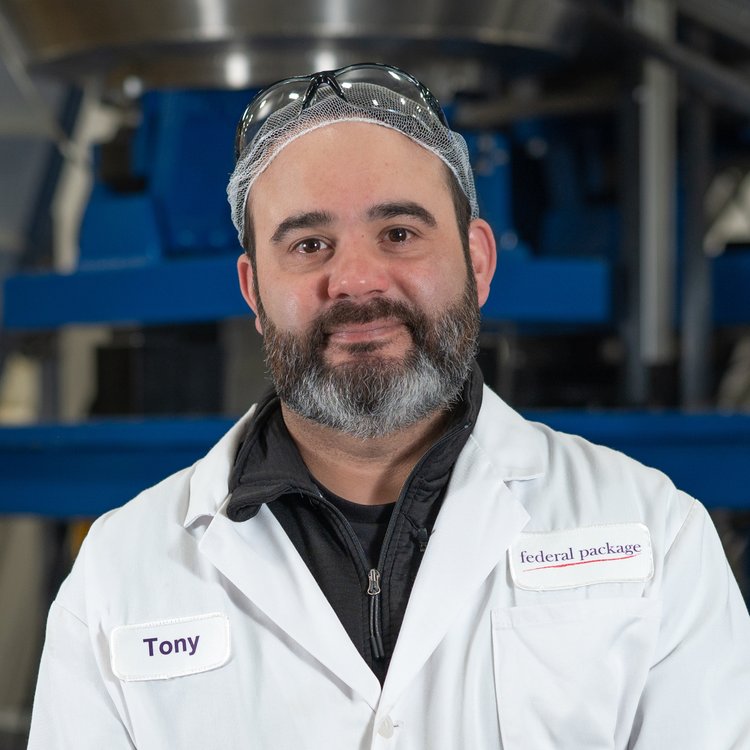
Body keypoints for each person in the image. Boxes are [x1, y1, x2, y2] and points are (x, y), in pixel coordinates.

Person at [29, 63, 750, 749]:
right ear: (253, 290)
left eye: (399, 233)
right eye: (309, 243)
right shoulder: (118, 579)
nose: (358, 280)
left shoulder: (657, 537)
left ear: (478, 260)